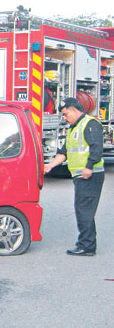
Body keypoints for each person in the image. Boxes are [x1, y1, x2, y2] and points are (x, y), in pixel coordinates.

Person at [44, 97, 105, 256]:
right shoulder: (73, 129)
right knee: (83, 211)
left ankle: (87, 246)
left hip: (90, 176)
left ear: (73, 110)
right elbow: (64, 152)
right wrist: (50, 165)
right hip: (81, 176)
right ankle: (85, 243)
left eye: (65, 114)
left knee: (84, 211)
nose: (64, 118)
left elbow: (97, 149)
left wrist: (89, 167)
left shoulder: (90, 124)